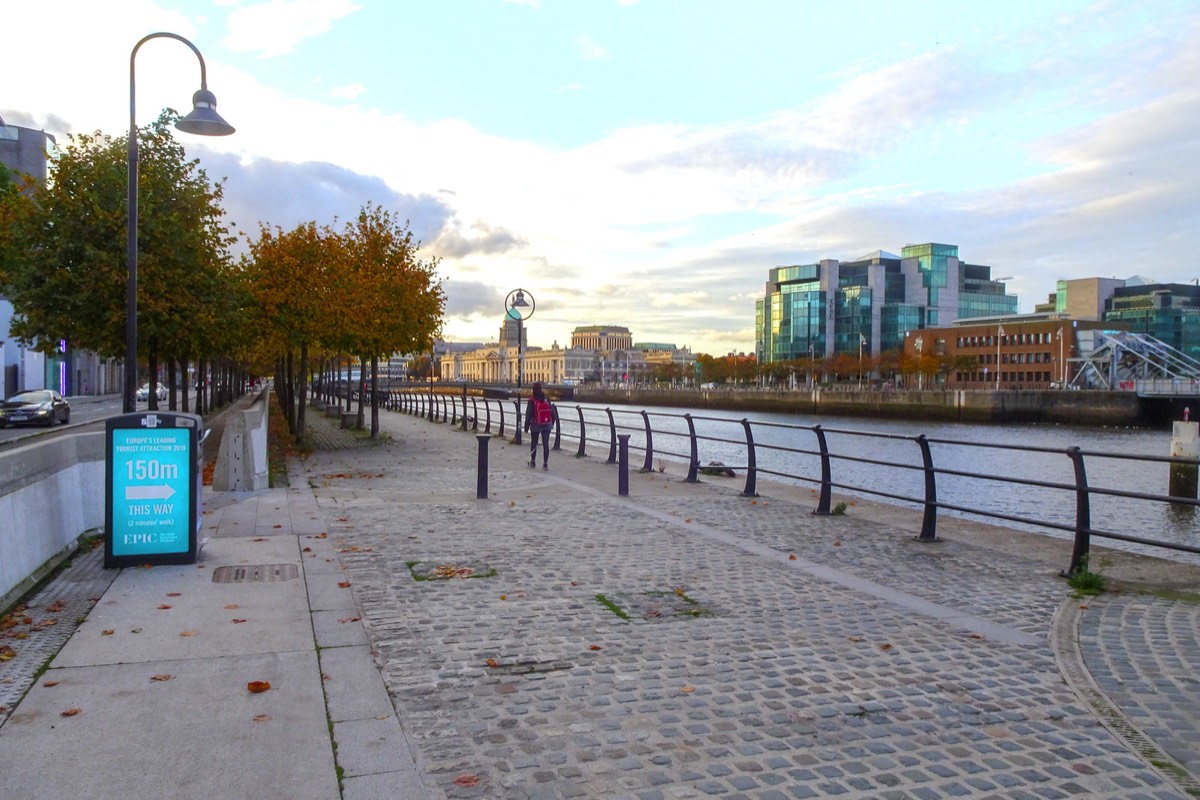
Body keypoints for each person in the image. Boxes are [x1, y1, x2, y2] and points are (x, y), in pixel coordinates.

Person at [524, 382, 554, 470]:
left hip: (536, 424)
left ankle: (533, 461)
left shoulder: (532, 401)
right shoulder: (546, 399)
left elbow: (528, 414)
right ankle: (545, 463)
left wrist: (526, 426)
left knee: (534, 442)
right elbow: (552, 412)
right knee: (545, 444)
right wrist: (552, 423)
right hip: (547, 424)